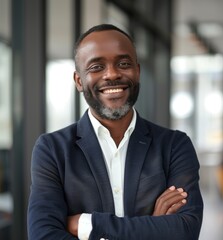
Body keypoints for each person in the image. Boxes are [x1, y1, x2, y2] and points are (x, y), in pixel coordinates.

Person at [27, 24, 203, 240]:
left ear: (137, 72)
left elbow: (185, 230)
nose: (111, 74)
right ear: (79, 81)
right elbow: (43, 235)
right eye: (96, 67)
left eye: (124, 64)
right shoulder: (52, 150)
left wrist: (86, 224)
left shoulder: (174, 145)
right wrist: (155, 226)